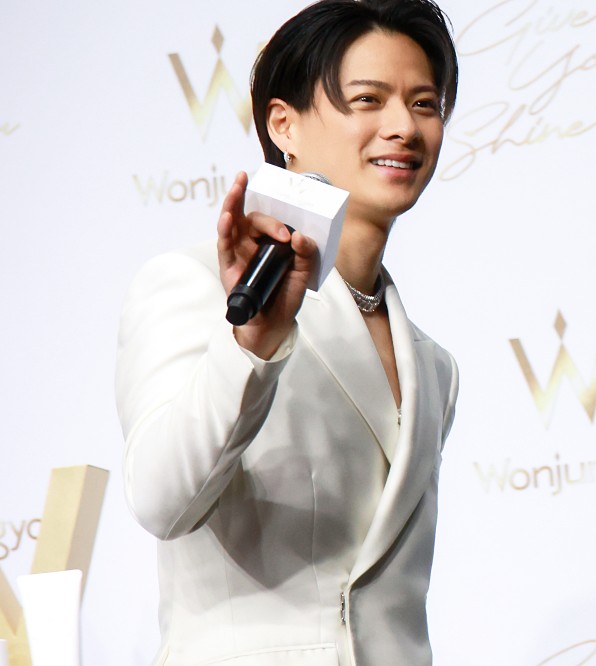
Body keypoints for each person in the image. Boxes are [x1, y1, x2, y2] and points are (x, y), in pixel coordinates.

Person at [115, 1, 459, 664]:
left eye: (424, 104)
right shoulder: (196, 287)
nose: (403, 127)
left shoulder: (433, 366)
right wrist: (250, 344)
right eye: (368, 99)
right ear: (284, 125)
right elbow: (162, 500)